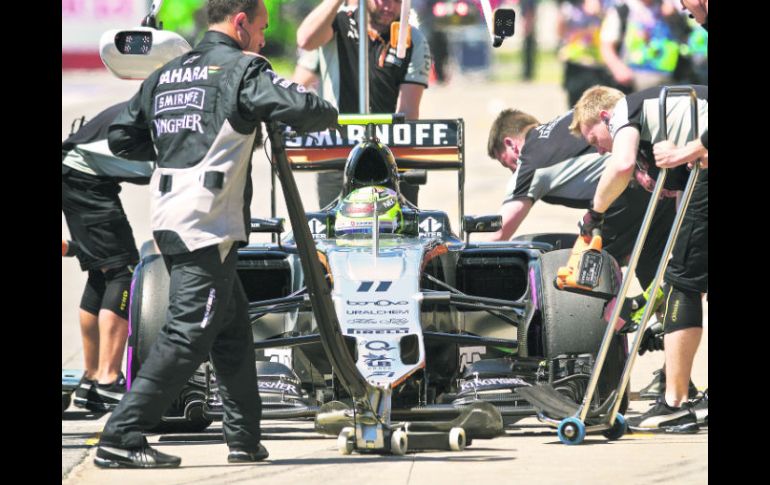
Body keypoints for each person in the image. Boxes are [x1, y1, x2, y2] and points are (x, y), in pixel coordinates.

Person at [95, 0, 338, 468]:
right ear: (241, 22)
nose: (265, 39)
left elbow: (123, 136)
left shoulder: (168, 73)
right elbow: (309, 109)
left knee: (230, 332)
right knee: (189, 334)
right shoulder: (244, 70)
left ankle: (244, 437)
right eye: (262, 28)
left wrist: (175, 142)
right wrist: (322, 108)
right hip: (206, 224)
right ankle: (120, 435)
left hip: (170, 217)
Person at [570, 82, 707, 432]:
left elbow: (622, 163)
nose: (599, 149)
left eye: (594, 139)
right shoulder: (661, 115)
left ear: (605, 117)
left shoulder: (623, 110)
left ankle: (674, 403)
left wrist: (595, 213)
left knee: (682, 284)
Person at [486, 108, 675, 293]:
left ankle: (618, 319)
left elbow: (499, 233)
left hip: (625, 192)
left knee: (583, 276)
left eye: (507, 163)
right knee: (653, 275)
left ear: (510, 143)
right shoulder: (567, 119)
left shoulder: (530, 162)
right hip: (658, 182)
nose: (512, 171)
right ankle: (667, 316)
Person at [62, 102, 153, 412]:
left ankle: (91, 381)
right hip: (84, 178)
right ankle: (107, 380)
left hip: (81, 174)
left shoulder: (166, 92)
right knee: (123, 272)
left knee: (103, 274)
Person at [297, 0, 432, 208]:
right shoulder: (337, 22)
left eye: (397, 1)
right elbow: (305, 40)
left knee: (399, 231)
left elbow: (408, 110)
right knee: (332, 231)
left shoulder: (412, 38)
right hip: (337, 149)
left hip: (390, 152)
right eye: (382, 1)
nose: (389, 7)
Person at [599, 0, 690, 92]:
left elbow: (686, 38)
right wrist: (617, 68)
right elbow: (606, 47)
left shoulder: (669, 8)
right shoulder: (622, 10)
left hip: (671, 79)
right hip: (635, 82)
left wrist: (674, 17)